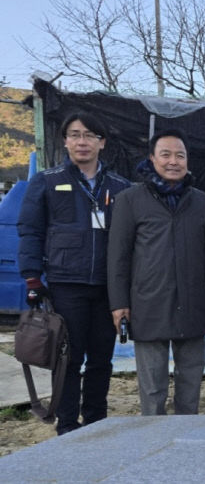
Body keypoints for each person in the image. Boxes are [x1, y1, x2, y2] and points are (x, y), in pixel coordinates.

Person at [17, 111, 130, 435]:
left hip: (109, 287)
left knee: (101, 359)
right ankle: (67, 424)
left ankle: (95, 420)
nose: (82, 141)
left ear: (102, 142)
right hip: (67, 285)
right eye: (75, 134)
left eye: (90, 135)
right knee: (68, 357)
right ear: (65, 141)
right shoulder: (47, 181)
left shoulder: (120, 186)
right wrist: (32, 277)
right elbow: (30, 230)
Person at [108, 129, 205, 416]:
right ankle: (152, 443)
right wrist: (119, 304)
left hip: (192, 302)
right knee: (152, 387)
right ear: (152, 158)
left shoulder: (201, 202)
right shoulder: (130, 199)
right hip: (148, 303)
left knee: (190, 381)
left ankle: (184, 443)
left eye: (180, 155)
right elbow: (118, 256)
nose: (173, 161)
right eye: (165, 154)